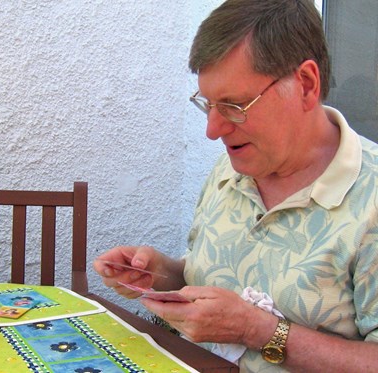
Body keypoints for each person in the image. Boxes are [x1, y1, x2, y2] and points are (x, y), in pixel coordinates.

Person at [93, 0, 378, 371]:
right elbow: (207, 280)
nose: (213, 130)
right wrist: (159, 275)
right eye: (208, 104)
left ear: (306, 84)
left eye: (234, 105)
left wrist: (258, 330)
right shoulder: (231, 169)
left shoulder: (370, 196)